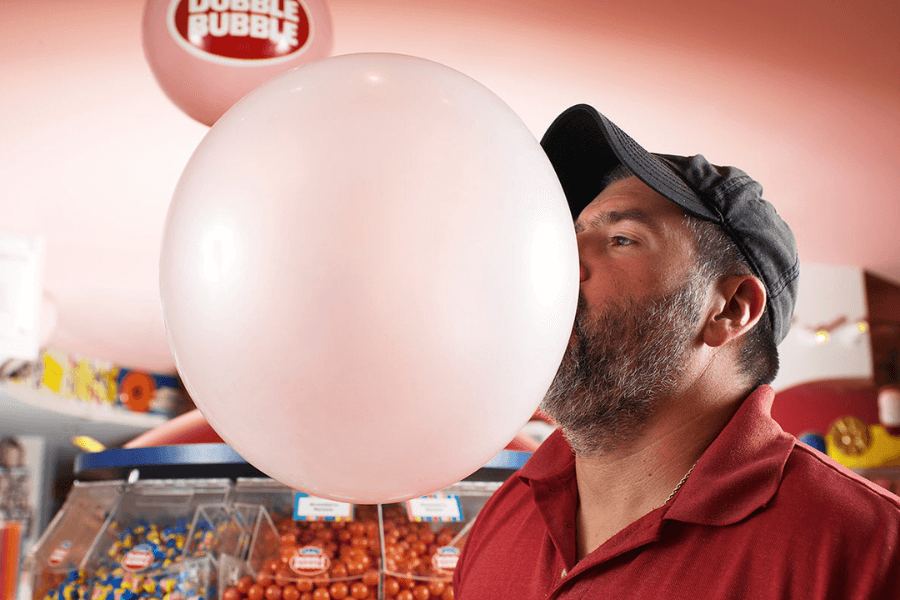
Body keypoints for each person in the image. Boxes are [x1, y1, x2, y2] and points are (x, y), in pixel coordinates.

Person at [452, 105, 900, 598]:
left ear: (730, 308)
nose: (560, 262)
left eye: (620, 238)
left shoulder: (867, 553)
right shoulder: (502, 516)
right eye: (568, 237)